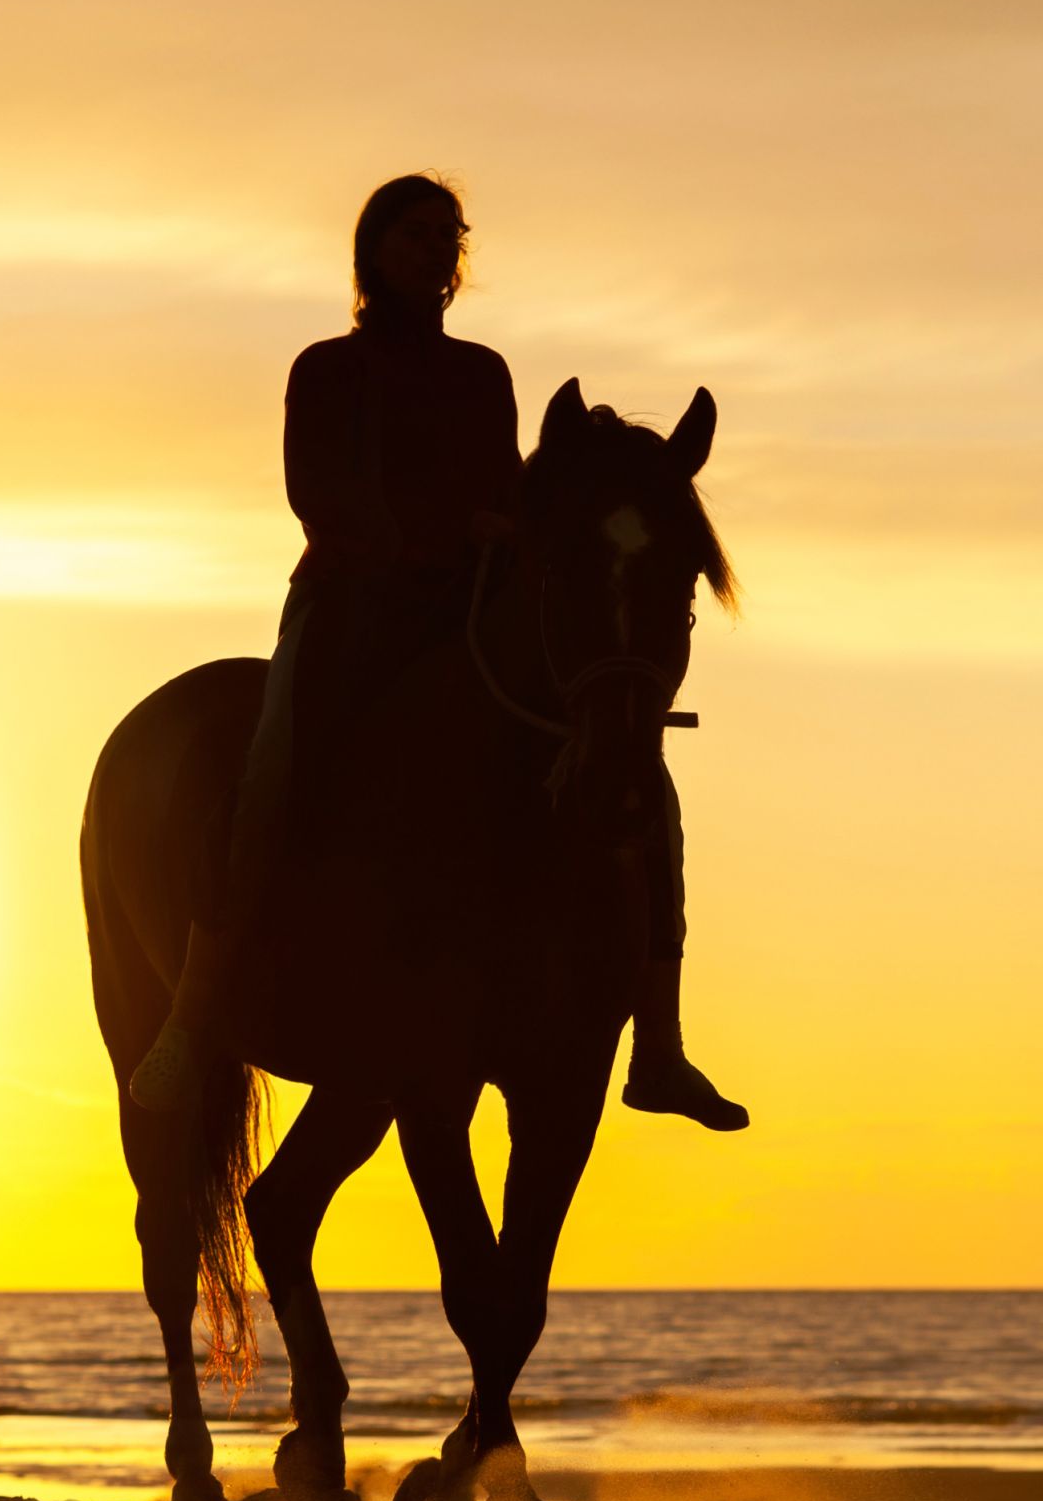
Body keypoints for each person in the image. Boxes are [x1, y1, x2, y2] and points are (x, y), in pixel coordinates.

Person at [129, 173, 746, 1131]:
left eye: (446, 238)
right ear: (373, 249)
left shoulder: (484, 374)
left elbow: (505, 485)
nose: (433, 251)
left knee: (640, 782)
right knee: (271, 769)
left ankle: (658, 1045)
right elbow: (318, 497)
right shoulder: (326, 370)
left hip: (462, 613)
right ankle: (189, 1018)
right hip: (346, 610)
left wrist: (524, 524)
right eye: (414, 234)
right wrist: (446, 532)